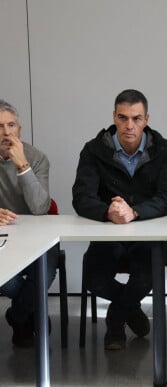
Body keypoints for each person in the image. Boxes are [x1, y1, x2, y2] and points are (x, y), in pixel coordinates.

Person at [72, 89, 167, 350]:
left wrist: (135, 212)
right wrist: (108, 212)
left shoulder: (165, 150)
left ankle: (115, 322)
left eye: (136, 118)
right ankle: (131, 312)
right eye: (122, 118)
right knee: (93, 278)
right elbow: (81, 197)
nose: (129, 125)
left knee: (146, 277)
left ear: (146, 119)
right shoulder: (94, 150)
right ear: (114, 117)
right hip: (109, 233)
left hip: (147, 234)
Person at [0, 99, 57, 348]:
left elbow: (40, 208)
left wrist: (22, 166)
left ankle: (17, 316)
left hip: (37, 235)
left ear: (19, 129)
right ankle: (32, 312)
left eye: (11, 125)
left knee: (44, 273)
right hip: (2, 238)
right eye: (0, 126)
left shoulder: (36, 158)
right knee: (6, 278)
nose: (6, 132)